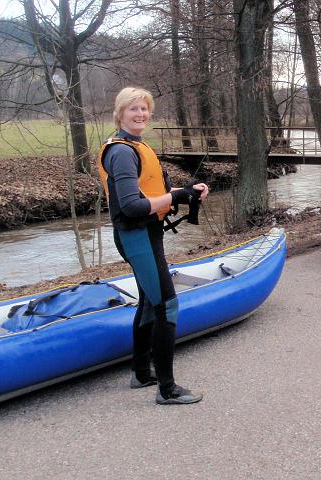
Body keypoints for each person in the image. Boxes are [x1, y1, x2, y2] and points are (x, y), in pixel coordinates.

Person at [97, 87, 209, 405]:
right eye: (134, 109)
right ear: (120, 113)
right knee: (166, 305)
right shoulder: (120, 152)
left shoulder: (136, 146)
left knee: (149, 301)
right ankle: (167, 389)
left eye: (145, 109)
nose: (141, 114)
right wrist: (175, 197)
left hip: (148, 233)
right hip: (137, 235)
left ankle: (141, 373)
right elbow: (132, 206)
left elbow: (151, 191)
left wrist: (184, 190)